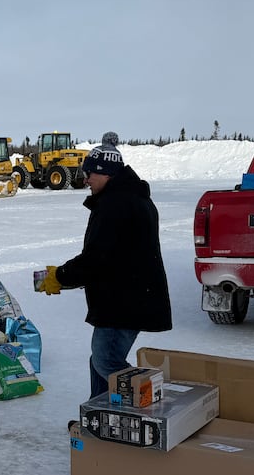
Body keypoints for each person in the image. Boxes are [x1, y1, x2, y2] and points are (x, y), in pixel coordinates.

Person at [37, 134, 172, 398]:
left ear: (105, 173)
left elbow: (97, 258)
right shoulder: (132, 197)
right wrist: (67, 277)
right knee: (99, 360)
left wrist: (60, 276)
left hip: (123, 301)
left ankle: (152, 403)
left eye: (89, 174)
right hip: (128, 295)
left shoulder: (115, 204)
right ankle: (99, 415)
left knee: (106, 362)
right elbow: (111, 256)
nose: (85, 179)